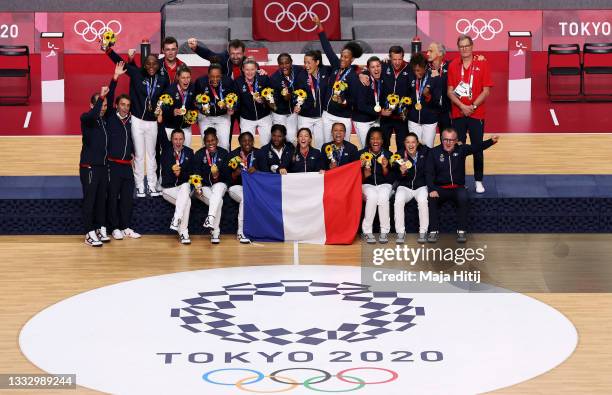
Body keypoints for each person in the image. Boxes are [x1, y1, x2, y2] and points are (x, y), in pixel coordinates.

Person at [106, 48, 168, 197]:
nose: (151, 67)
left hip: (153, 122)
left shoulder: (163, 79)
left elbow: (165, 98)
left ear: (158, 65)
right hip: (137, 121)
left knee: (152, 154)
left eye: (154, 64)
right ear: (144, 65)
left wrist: (162, 112)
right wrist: (108, 50)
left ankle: (152, 186)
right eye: (148, 64)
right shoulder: (136, 73)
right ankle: (140, 186)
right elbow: (119, 62)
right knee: (139, 155)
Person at [426, 128, 499, 243]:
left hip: (457, 188)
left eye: (451, 140)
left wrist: (491, 141)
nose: (448, 143)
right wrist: (432, 189)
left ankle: (461, 230)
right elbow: (429, 173)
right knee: (432, 199)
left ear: (456, 140)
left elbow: (477, 147)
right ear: (441, 139)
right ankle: (433, 231)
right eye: (445, 139)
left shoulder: (462, 149)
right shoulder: (434, 152)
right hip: (440, 188)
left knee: (464, 198)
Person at [447, 34, 494, 194]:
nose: (464, 49)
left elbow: (486, 91)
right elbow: (450, 91)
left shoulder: (482, 63)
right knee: (458, 149)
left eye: (467, 46)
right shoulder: (453, 65)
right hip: (458, 113)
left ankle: (478, 180)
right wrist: (462, 106)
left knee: (477, 148)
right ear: (458, 48)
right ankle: (459, 181)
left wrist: (472, 106)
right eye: (461, 46)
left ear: (472, 46)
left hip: (476, 113)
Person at [313, 15, 362, 143]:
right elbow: (327, 48)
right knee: (326, 145)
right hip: (327, 115)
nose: (342, 59)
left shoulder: (353, 76)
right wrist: (320, 26)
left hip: (343, 117)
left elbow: (355, 100)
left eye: (346, 57)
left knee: (343, 146)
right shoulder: (335, 66)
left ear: (351, 59)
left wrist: (344, 101)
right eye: (342, 56)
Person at [106, 63, 141, 241]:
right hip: (112, 165)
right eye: (122, 104)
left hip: (127, 166)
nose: (125, 107)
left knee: (127, 198)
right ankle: (114, 228)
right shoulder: (111, 117)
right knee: (112, 198)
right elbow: (110, 95)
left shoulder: (131, 121)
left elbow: (134, 140)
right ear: (117, 105)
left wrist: (134, 153)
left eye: (127, 105)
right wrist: (115, 78)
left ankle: (126, 226)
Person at [80, 76, 115, 246]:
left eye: (106, 105)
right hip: (89, 167)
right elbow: (95, 113)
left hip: (102, 166)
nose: (104, 108)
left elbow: (111, 96)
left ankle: (100, 228)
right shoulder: (87, 118)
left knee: (102, 199)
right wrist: (101, 97)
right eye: (101, 104)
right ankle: (88, 232)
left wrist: (114, 79)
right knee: (90, 199)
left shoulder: (103, 120)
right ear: (92, 105)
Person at [360, 46, 412, 150]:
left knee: (402, 146)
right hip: (385, 116)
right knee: (383, 146)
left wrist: (407, 110)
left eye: (399, 59)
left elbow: (412, 91)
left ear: (403, 57)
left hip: (401, 117)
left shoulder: (409, 68)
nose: (397, 62)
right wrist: (361, 74)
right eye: (394, 59)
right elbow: (369, 69)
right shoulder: (384, 65)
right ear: (389, 58)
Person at [194, 128, 230, 244]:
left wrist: (217, 175)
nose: (211, 143)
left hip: (220, 185)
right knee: (218, 201)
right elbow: (196, 174)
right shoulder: (199, 154)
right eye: (208, 141)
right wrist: (198, 187)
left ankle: (210, 217)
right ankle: (215, 231)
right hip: (204, 187)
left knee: (219, 188)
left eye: (213, 140)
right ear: (204, 142)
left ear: (217, 140)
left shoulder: (224, 153)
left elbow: (227, 176)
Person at [359, 127, 394, 244]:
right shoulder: (361, 154)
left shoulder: (388, 154)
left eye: (378, 138)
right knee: (373, 196)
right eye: (372, 138)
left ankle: (384, 231)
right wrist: (362, 170)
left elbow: (391, 178)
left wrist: (385, 168)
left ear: (383, 141)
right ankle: (367, 231)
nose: (375, 141)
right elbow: (357, 177)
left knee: (383, 197)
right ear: (369, 141)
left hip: (385, 184)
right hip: (367, 185)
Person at [393, 133, 430, 244]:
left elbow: (434, 151)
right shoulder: (399, 155)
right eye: (408, 142)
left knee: (423, 201)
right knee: (398, 201)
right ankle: (400, 232)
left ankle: (423, 232)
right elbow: (395, 176)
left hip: (421, 186)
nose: (410, 145)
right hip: (405, 186)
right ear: (404, 143)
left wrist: (424, 145)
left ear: (417, 143)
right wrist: (402, 173)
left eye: (413, 142)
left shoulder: (424, 152)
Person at [160, 129, 195, 245]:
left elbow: (191, 174)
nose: (178, 142)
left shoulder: (189, 152)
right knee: (187, 201)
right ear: (172, 140)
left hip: (183, 188)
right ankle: (183, 230)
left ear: (184, 140)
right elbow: (164, 176)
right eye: (175, 139)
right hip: (168, 189)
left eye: (180, 139)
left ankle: (179, 224)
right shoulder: (166, 152)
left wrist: (181, 174)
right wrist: (173, 173)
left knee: (185, 186)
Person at [194, 63, 236, 151]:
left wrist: (231, 107)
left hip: (223, 117)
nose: (215, 79)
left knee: (224, 144)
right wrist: (200, 107)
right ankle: (207, 163)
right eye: (212, 76)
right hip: (206, 117)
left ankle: (223, 164)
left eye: (218, 76)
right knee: (206, 144)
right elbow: (194, 100)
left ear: (221, 75)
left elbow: (235, 97)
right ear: (208, 75)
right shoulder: (200, 82)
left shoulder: (228, 82)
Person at [293, 50, 330, 147]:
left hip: (321, 117)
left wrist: (361, 73)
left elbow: (340, 68)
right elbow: (296, 94)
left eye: (309, 62)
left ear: (317, 62)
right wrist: (297, 105)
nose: (306, 65)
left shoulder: (325, 72)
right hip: (305, 117)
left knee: (321, 145)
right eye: (305, 62)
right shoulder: (301, 76)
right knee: (303, 145)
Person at [228, 132, 258, 244]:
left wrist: (256, 171)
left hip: (253, 188)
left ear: (253, 141)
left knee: (249, 197)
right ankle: (241, 232)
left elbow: (265, 172)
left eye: (249, 140)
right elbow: (227, 178)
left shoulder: (259, 153)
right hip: (236, 187)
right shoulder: (232, 155)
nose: (247, 143)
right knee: (246, 199)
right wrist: (235, 174)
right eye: (244, 141)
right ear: (240, 142)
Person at [235, 60, 274, 146]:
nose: (249, 72)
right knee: (247, 145)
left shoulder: (263, 78)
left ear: (256, 69)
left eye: (252, 69)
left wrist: (264, 100)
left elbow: (271, 95)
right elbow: (237, 101)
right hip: (247, 119)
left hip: (264, 117)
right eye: (247, 70)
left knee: (266, 144)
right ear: (243, 69)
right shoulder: (238, 82)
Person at [407, 53, 443, 149]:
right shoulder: (410, 76)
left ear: (425, 67)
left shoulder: (435, 78)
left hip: (429, 121)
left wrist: (428, 96)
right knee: (413, 149)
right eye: (414, 70)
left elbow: (437, 102)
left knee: (427, 149)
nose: (416, 72)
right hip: (413, 120)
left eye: (418, 70)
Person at [159, 65, 196, 147]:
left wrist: (194, 115)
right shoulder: (170, 90)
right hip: (170, 128)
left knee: (186, 153)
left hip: (186, 128)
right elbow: (163, 109)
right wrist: (173, 112)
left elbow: (196, 105)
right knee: (168, 155)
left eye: (188, 77)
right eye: (183, 78)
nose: (186, 80)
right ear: (178, 78)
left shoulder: (193, 88)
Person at [270, 53, 301, 143]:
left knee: (291, 139)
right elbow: (273, 99)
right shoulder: (274, 78)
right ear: (278, 64)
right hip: (279, 114)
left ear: (291, 63)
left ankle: (291, 156)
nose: (284, 66)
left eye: (287, 63)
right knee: (279, 139)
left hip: (293, 113)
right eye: (281, 63)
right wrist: (284, 98)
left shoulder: (298, 71)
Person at [353, 56, 384, 148]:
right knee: (367, 148)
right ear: (368, 69)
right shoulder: (364, 80)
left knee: (377, 147)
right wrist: (380, 111)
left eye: (378, 66)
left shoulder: (383, 79)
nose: (376, 69)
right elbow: (360, 105)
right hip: (362, 121)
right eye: (373, 67)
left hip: (376, 119)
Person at [426, 41, 451, 133]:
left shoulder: (450, 66)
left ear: (440, 53)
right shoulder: (424, 67)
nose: (427, 53)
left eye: (431, 51)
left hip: (445, 111)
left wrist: (477, 57)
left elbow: (465, 60)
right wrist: (386, 62)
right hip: (429, 110)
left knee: (446, 140)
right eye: (427, 51)